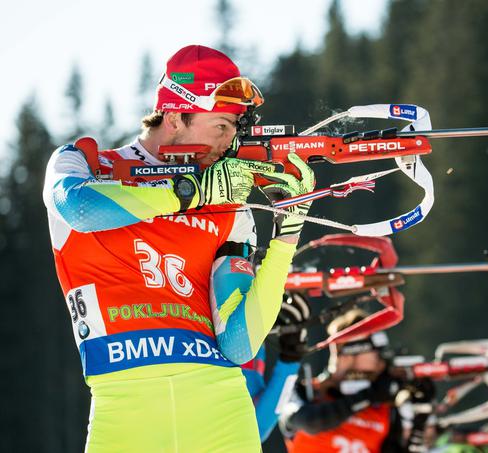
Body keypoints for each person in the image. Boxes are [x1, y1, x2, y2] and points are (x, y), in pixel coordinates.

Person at [42, 44, 315, 452]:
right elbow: (80, 210)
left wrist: (286, 237)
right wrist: (186, 194)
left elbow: (239, 345)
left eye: (234, 130)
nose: (229, 142)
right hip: (124, 413)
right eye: (221, 126)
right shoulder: (86, 165)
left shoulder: (227, 204)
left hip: (221, 411)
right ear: (174, 116)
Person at [279, 308, 406, 453]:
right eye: (375, 352)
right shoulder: (302, 392)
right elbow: (311, 422)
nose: (381, 362)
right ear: (348, 355)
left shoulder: (382, 406)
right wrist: (368, 396)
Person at [242, 293, 310, 442]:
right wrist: (292, 354)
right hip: (249, 306)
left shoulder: (249, 434)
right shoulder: (251, 433)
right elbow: (279, 397)